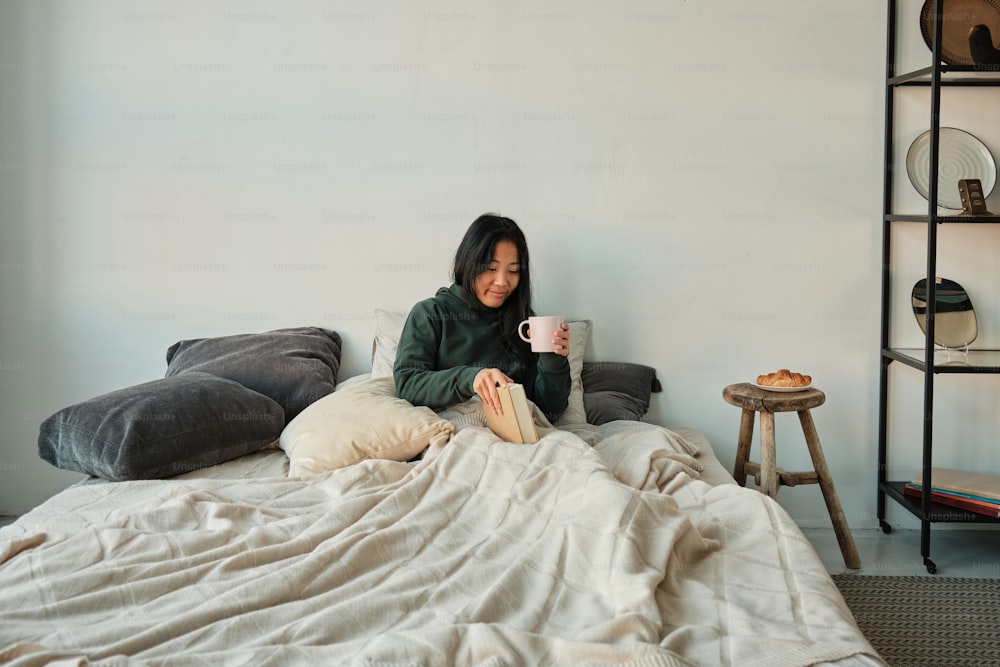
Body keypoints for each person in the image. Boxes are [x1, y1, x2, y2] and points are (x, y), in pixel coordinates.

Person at [394, 213, 571, 421]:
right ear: (469, 263)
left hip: (513, 438)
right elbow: (408, 384)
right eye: (491, 268)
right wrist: (471, 378)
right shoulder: (431, 314)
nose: (502, 281)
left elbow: (549, 411)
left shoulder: (522, 324)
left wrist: (553, 360)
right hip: (452, 430)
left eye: (513, 271)